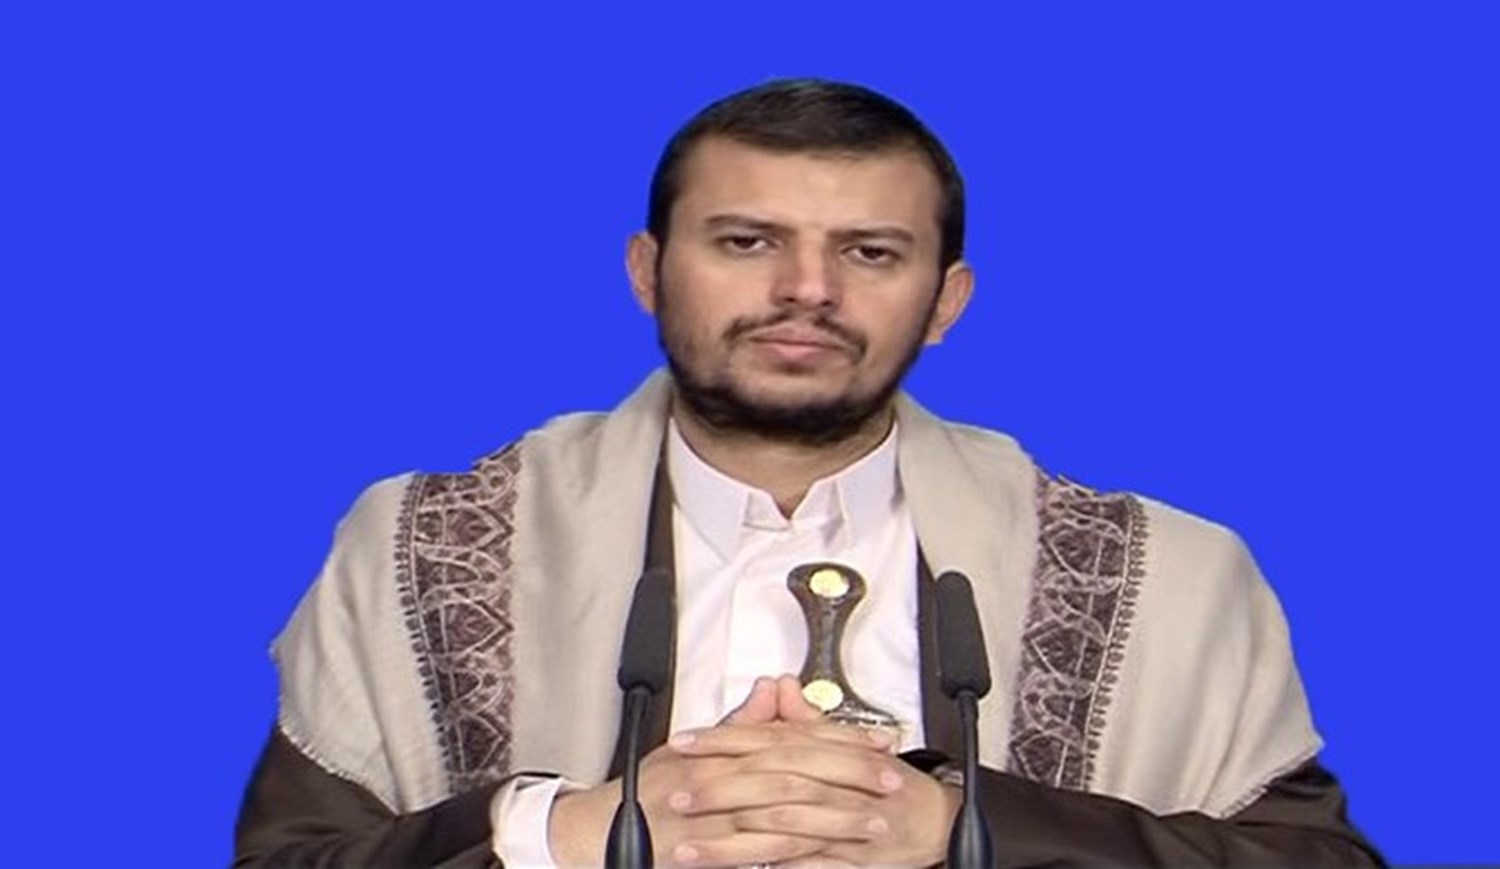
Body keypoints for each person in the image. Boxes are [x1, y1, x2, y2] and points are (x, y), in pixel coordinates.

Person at [234, 78, 1383, 867]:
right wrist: (567, 832)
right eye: (748, 241)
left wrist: (963, 828)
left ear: (946, 300)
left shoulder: (1169, 573)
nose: (807, 290)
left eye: (869, 252)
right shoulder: (425, 544)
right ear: (647, 271)